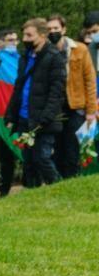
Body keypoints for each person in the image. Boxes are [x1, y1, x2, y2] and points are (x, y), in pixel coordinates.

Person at [7, 18, 67, 188]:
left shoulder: (55, 57)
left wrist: (46, 117)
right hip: (25, 117)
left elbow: (57, 92)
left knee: (43, 158)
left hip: (43, 119)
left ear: (42, 35)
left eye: (29, 35)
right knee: (29, 162)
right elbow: (18, 87)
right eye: (24, 35)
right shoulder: (25, 57)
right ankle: (32, 193)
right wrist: (12, 113)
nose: (25, 39)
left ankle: (58, 189)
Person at [45, 13, 97, 179]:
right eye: (49, 29)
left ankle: (72, 179)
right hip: (55, 108)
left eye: (56, 28)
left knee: (72, 149)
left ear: (64, 29)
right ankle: (60, 180)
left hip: (76, 107)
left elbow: (89, 80)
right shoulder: (46, 51)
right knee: (58, 148)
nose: (53, 31)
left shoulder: (80, 49)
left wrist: (90, 110)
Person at [0, 27, 21, 197]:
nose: (14, 43)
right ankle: (4, 190)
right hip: (3, 113)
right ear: (1, 41)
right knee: (6, 156)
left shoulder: (21, 59)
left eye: (15, 40)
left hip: (20, 111)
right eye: (10, 40)